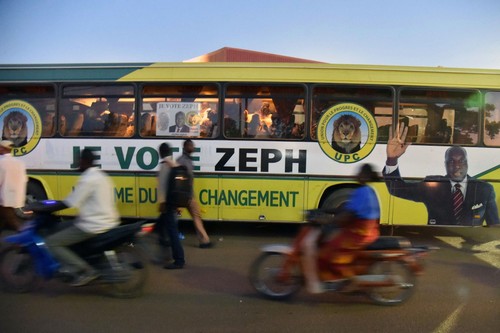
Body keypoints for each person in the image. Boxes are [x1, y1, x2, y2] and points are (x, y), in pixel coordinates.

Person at [384, 123, 499, 226]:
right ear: (445, 164)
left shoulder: (485, 190)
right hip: (439, 244)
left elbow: (494, 225)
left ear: (467, 163)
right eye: (451, 161)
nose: (457, 166)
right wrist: (392, 159)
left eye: (461, 161)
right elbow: (396, 189)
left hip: (469, 248)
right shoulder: (432, 186)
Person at [45, 148, 120, 286]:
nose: (78, 164)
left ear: (84, 161)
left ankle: (85, 270)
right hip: (107, 220)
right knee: (62, 227)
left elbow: (70, 202)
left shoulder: (88, 179)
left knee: (52, 242)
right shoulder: (100, 175)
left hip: (92, 224)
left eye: (80, 161)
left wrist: (46, 208)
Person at [302, 164, 381, 294]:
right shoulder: (365, 190)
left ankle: (351, 281)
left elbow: (347, 215)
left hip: (360, 233)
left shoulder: (362, 192)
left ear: (365, 176)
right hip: (363, 229)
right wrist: (323, 210)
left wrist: (327, 220)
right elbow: (345, 209)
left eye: (360, 173)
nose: (357, 175)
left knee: (331, 251)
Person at [176, 139, 212, 248]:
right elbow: (179, 178)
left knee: (196, 216)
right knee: (196, 216)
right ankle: (204, 241)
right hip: (186, 195)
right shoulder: (183, 161)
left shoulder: (185, 159)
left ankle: (204, 240)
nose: (193, 147)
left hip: (188, 194)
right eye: (191, 146)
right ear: (186, 147)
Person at [157, 142, 185, 269]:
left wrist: (162, 203)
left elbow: (162, 187)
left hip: (168, 204)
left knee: (172, 232)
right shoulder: (175, 164)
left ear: (160, 153)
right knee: (161, 227)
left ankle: (179, 260)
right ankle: (165, 253)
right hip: (175, 202)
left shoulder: (164, 166)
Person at [0, 140, 27, 233]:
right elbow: (24, 180)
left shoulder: (1, 162)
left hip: (4, 199)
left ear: (2, 149)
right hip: (17, 198)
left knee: (15, 224)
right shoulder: (20, 163)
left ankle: (28, 240)